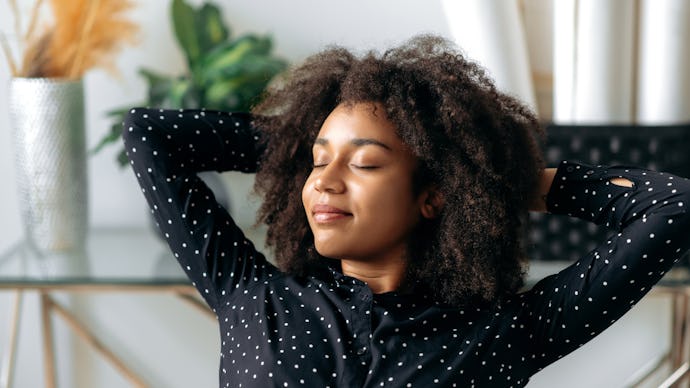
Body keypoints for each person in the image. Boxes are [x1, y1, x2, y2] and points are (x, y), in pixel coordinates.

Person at [122, 35, 690, 387]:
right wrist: (302, 143)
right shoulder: (250, 294)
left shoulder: (502, 334)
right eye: (317, 165)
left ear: (434, 194)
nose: (325, 183)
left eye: (364, 164)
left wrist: (496, 181)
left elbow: (673, 207)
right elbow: (149, 134)